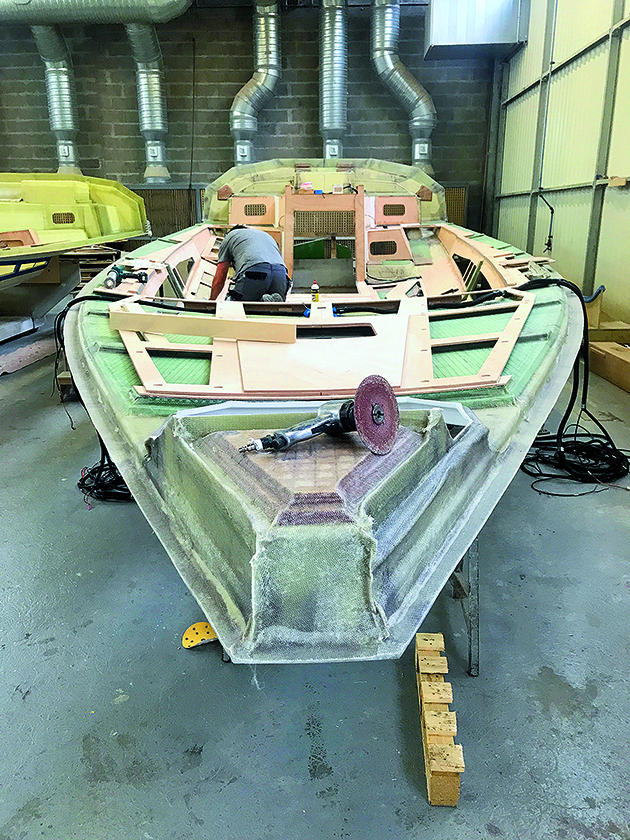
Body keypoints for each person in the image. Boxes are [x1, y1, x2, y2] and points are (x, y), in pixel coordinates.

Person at [210, 225, 291, 301]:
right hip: (281, 275)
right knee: (270, 308)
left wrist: (211, 302)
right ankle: (268, 300)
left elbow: (220, 277)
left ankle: (258, 299)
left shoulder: (230, 237)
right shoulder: (266, 236)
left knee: (234, 303)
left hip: (255, 273)